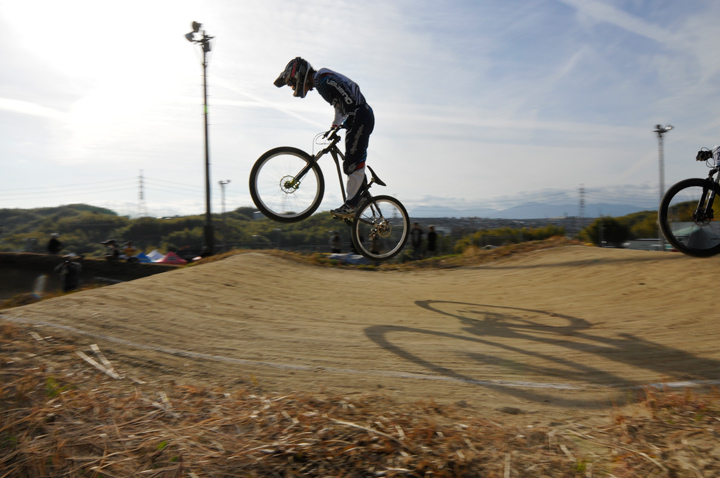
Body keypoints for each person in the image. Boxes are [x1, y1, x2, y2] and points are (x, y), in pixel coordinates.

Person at [274, 57, 374, 218]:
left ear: (299, 75)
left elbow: (347, 97)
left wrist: (345, 119)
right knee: (349, 164)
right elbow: (339, 105)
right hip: (356, 117)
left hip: (360, 115)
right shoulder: (321, 83)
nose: (292, 87)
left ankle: (352, 205)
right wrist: (335, 126)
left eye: (292, 83)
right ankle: (359, 196)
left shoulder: (323, 78)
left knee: (352, 163)